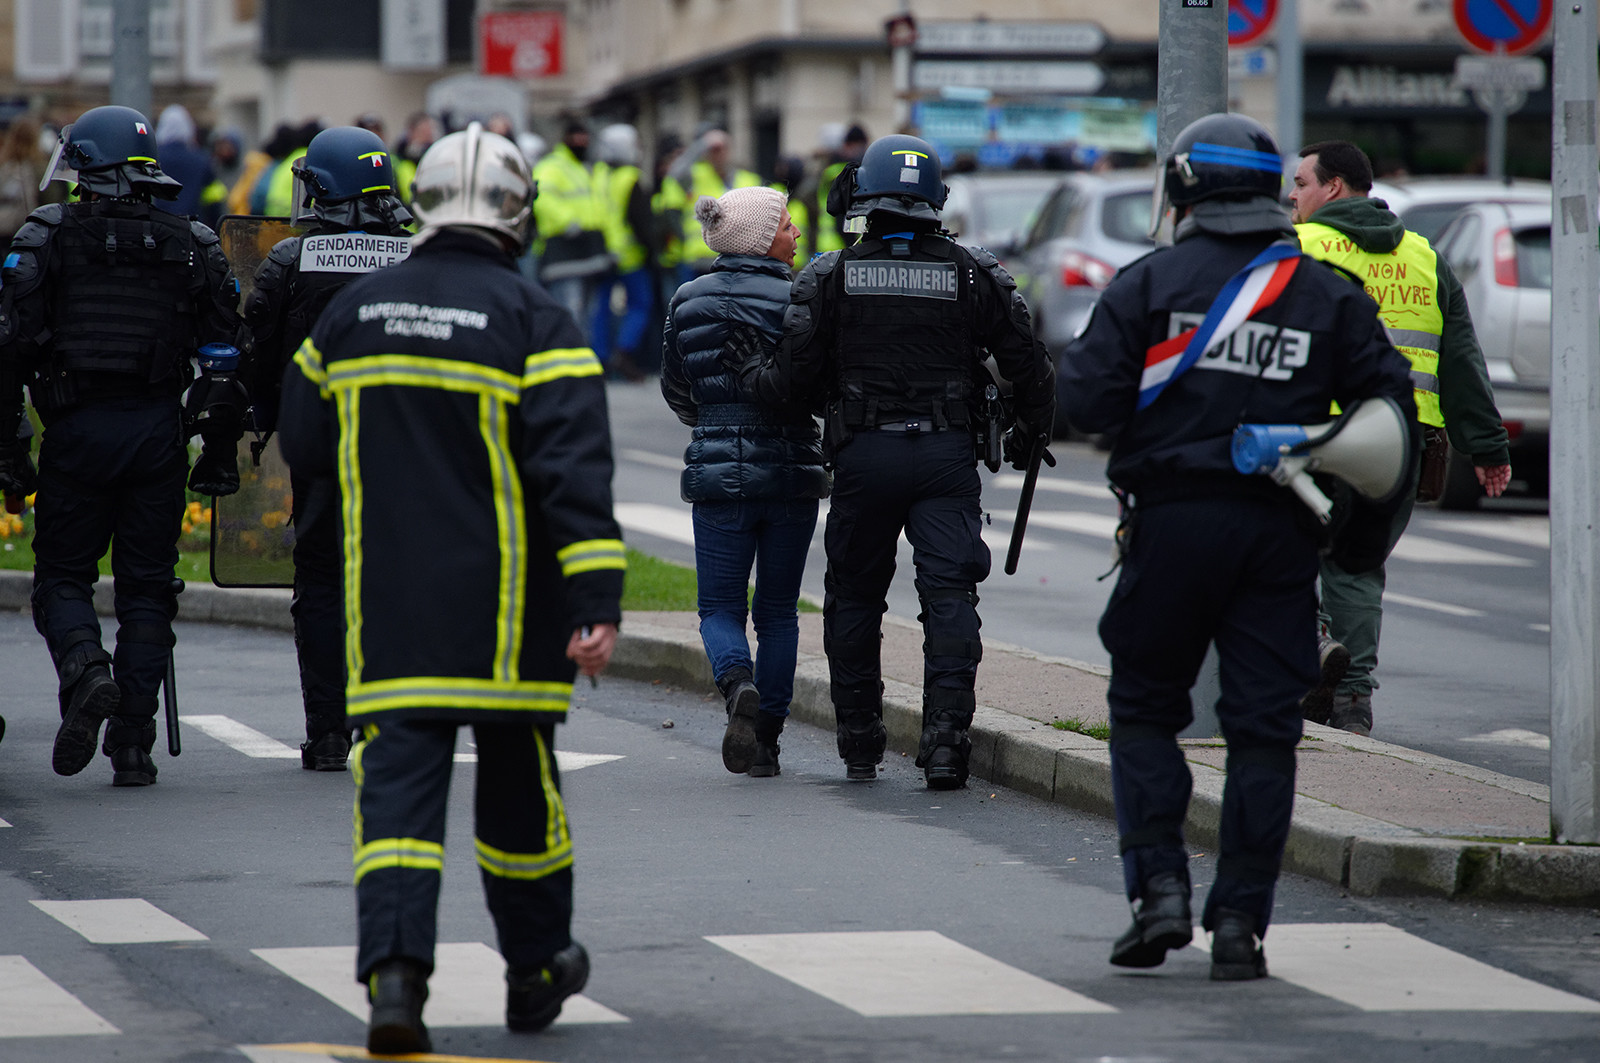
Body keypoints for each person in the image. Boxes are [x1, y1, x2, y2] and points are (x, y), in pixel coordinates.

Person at [277, 121, 625, 1055]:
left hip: (390, 611)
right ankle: (536, 969)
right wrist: (596, 603)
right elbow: (576, 477)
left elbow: (303, 441)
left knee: (395, 804)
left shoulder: (352, 315)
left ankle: (396, 983)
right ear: (518, 210)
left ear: (424, 202)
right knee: (519, 800)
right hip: (511, 621)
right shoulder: (538, 322)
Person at [1058, 113, 1417, 980]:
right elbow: (1392, 429)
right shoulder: (1328, 294)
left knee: (1146, 710)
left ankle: (1159, 892)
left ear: (1183, 189)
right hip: (1279, 535)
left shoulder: (1148, 283)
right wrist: (1357, 547)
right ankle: (1239, 925)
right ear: (1268, 190)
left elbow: (1085, 404)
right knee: (1264, 730)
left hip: (1171, 526)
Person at [740, 134, 1056, 789]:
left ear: (865, 196)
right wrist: (1028, 429)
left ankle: (860, 742)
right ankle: (946, 746)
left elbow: (791, 383)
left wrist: (751, 374)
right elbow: (1031, 364)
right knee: (950, 597)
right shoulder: (974, 272)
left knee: (855, 597)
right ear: (936, 198)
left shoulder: (829, 275)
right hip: (945, 458)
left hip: (864, 456)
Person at [0, 105, 239, 786]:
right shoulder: (191, 240)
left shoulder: (47, 235)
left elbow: (9, 352)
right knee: (147, 590)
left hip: (76, 431)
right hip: (157, 434)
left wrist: (11, 448)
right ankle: (133, 743)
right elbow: (226, 359)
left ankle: (86, 669)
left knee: (62, 578)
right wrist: (216, 452)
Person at [1289, 140, 1512, 735]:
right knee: (1357, 568)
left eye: (1301, 183)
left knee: (1274, 547)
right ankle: (1352, 702)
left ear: (1333, 187)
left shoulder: (1298, 246)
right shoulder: (1423, 256)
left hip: (1312, 431)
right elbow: (1462, 358)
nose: (1292, 195)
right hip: (1400, 443)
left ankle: (1312, 644)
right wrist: (1487, 446)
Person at [236, 125, 414, 771]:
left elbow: (255, 358)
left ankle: (329, 731)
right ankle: (385, 722)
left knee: (320, 584)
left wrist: (258, 418)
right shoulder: (419, 258)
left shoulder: (291, 260)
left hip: (321, 452)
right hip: (407, 455)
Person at [662, 187, 825, 777]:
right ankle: (767, 744)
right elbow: (819, 386)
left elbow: (675, 386)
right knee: (778, 611)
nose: (796, 234)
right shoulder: (800, 298)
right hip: (791, 470)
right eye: (786, 226)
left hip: (716, 475)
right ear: (759, 238)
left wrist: (711, 420)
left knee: (719, 607)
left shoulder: (687, 299)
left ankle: (737, 686)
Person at [531, 116, 612, 335]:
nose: (581, 142)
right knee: (570, 314)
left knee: (588, 317)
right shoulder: (553, 166)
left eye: (584, 138)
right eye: (577, 138)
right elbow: (542, 198)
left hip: (589, 251)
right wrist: (569, 222)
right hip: (563, 251)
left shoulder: (587, 168)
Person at [591, 123, 654, 380]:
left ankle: (600, 358)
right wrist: (652, 252)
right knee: (640, 304)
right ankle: (624, 352)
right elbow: (641, 221)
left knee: (601, 308)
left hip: (600, 254)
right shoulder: (630, 177)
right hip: (628, 255)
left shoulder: (596, 174)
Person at [670, 129, 762, 278]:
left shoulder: (748, 179)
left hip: (737, 258)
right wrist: (702, 144)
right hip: (699, 257)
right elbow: (675, 172)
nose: (719, 155)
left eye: (722, 149)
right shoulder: (695, 176)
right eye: (713, 150)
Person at [153, 104, 213, 218]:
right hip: (192, 224)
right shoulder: (201, 159)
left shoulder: (153, 158)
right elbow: (213, 199)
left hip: (159, 223)